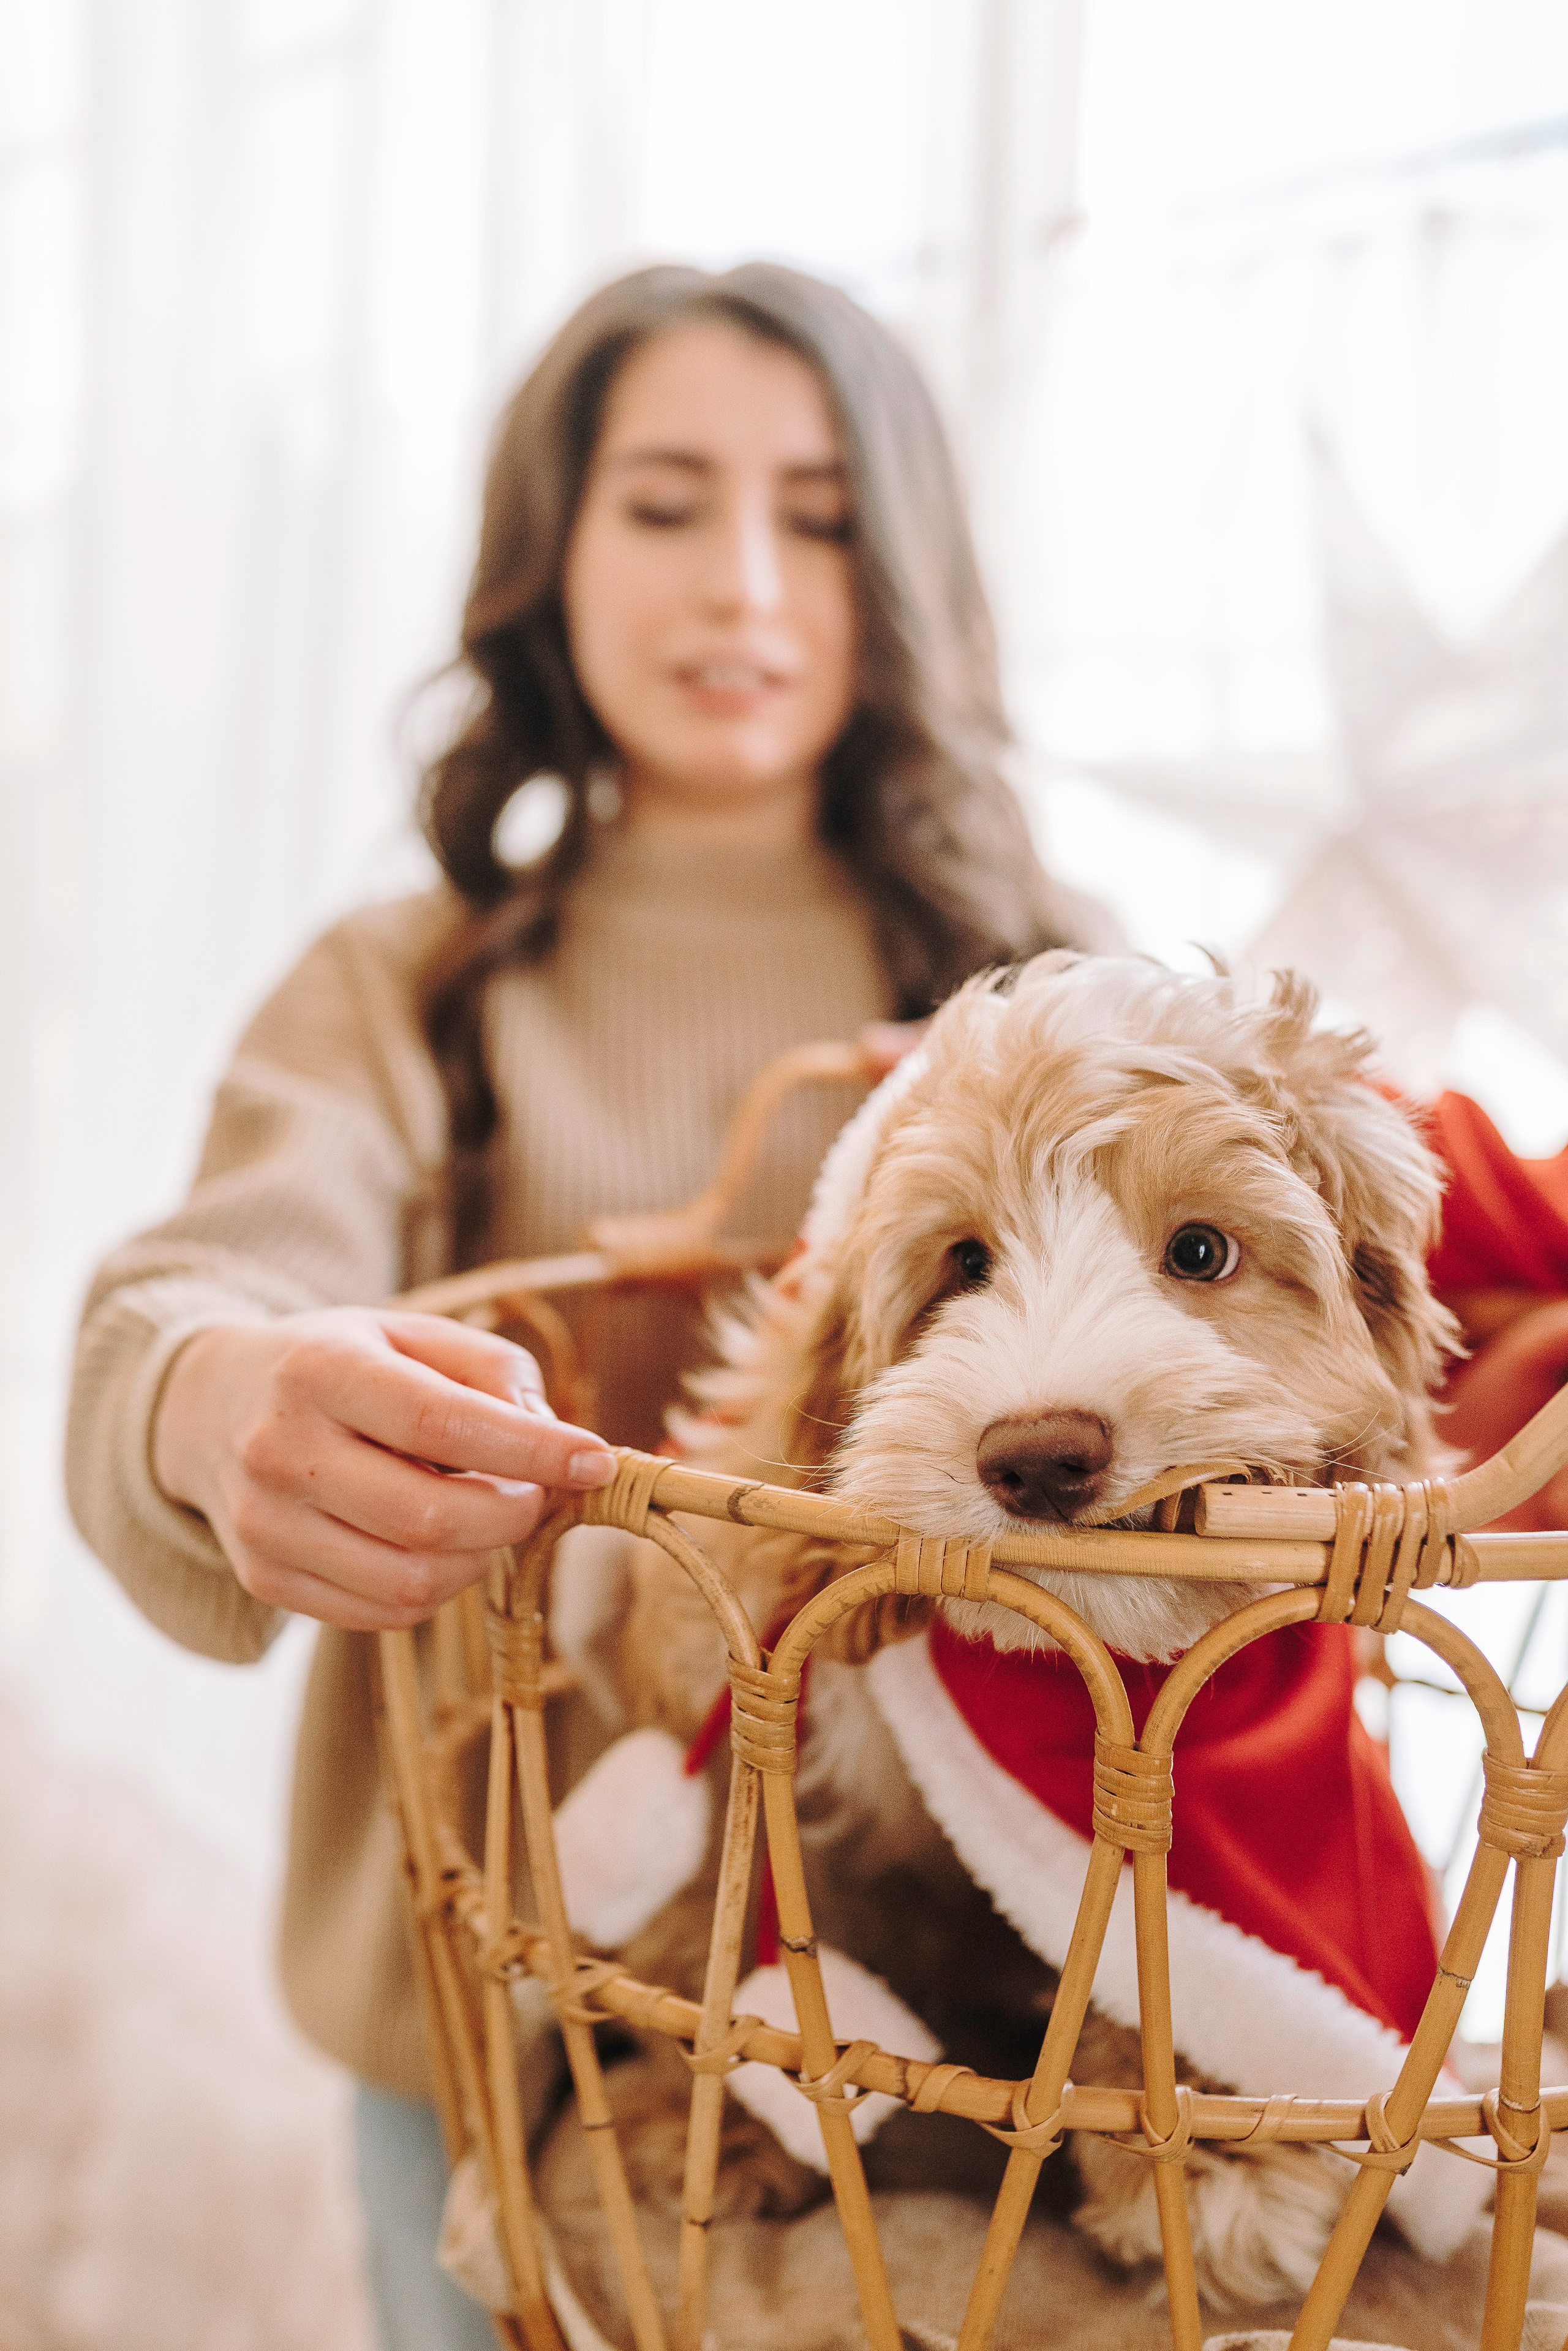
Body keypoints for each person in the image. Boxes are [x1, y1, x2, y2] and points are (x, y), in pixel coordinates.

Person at [65, 261, 1111, 2349]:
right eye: (663, 503)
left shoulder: (1045, 988)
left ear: (906, 568)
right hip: (490, 1995)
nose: (743, 583)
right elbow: (189, 1297)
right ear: (549, 554)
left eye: (820, 517)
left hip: (965, 1998)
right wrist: (216, 1395)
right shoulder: (412, 989)